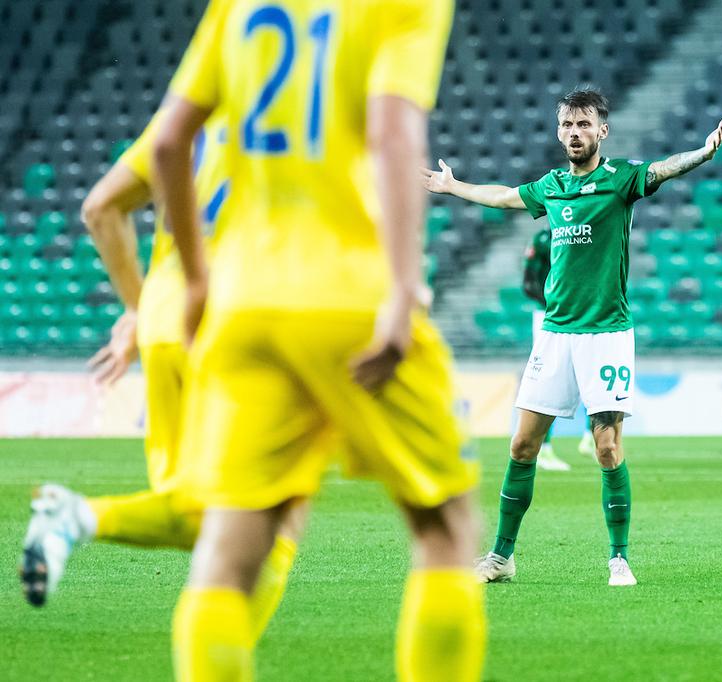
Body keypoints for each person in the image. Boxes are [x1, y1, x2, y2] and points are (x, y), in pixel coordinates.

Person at [153, 1, 485, 679]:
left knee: (227, 551)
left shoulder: (238, 7)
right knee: (445, 525)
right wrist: (400, 289)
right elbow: (394, 131)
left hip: (245, 302)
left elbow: (166, 143)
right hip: (349, 295)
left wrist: (194, 281)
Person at [19, 108, 305, 645]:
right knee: (275, 516)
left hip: (167, 324)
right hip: (242, 321)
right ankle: (77, 517)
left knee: (203, 513)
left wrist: (141, 308)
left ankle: (76, 518)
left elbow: (99, 209)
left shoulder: (192, 118)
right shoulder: (302, 114)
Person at [424, 88, 722, 586]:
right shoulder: (552, 186)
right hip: (554, 334)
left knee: (606, 446)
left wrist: (703, 152)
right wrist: (452, 186)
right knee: (523, 445)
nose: (573, 133)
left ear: (602, 131)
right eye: (567, 124)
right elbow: (503, 197)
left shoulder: (620, 180)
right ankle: (501, 558)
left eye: (583, 124)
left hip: (606, 334)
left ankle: (619, 558)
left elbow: (664, 168)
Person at [521, 226, 593, 471]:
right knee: (549, 378)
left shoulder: (581, 230)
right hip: (549, 315)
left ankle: (590, 436)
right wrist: (555, 302)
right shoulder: (544, 239)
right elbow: (528, 284)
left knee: (587, 370)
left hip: (576, 313)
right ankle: (544, 449)